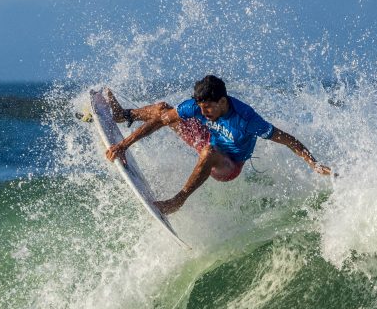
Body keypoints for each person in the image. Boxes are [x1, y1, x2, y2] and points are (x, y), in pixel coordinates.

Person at [104, 74, 333, 214]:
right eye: (200, 109)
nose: (203, 113)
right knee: (164, 110)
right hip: (207, 140)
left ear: (223, 101)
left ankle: (178, 201)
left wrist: (314, 164)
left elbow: (288, 140)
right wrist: (124, 145)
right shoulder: (198, 106)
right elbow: (162, 122)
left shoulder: (247, 120)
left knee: (209, 151)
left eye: (208, 109)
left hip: (228, 165)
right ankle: (124, 115)